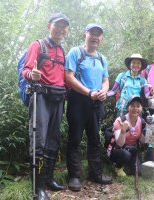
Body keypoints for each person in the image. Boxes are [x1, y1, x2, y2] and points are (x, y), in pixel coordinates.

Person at [21, 12, 69, 199]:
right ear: (49, 26)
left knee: (53, 141)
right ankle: (37, 188)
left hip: (58, 98)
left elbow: (61, 76)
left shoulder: (62, 50)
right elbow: (26, 70)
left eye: (64, 26)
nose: (60, 29)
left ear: (66, 30)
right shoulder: (38, 45)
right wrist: (30, 75)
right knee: (39, 142)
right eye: (57, 25)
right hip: (41, 96)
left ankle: (48, 179)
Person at [65, 23, 112, 192]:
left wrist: (104, 92)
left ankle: (95, 173)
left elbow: (106, 79)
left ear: (101, 38)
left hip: (96, 102)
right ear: (85, 34)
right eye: (92, 33)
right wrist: (89, 92)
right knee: (75, 138)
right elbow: (69, 77)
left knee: (94, 139)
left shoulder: (101, 58)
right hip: (78, 101)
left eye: (98, 34)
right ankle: (74, 176)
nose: (95, 37)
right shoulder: (76, 52)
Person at [109, 96, 146, 177]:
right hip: (117, 149)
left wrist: (149, 133)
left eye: (138, 106)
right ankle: (117, 167)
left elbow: (142, 141)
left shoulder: (142, 122)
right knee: (126, 154)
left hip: (132, 150)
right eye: (132, 106)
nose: (135, 108)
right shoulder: (120, 121)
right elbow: (120, 143)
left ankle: (127, 164)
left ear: (141, 108)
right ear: (128, 107)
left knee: (139, 172)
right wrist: (123, 131)